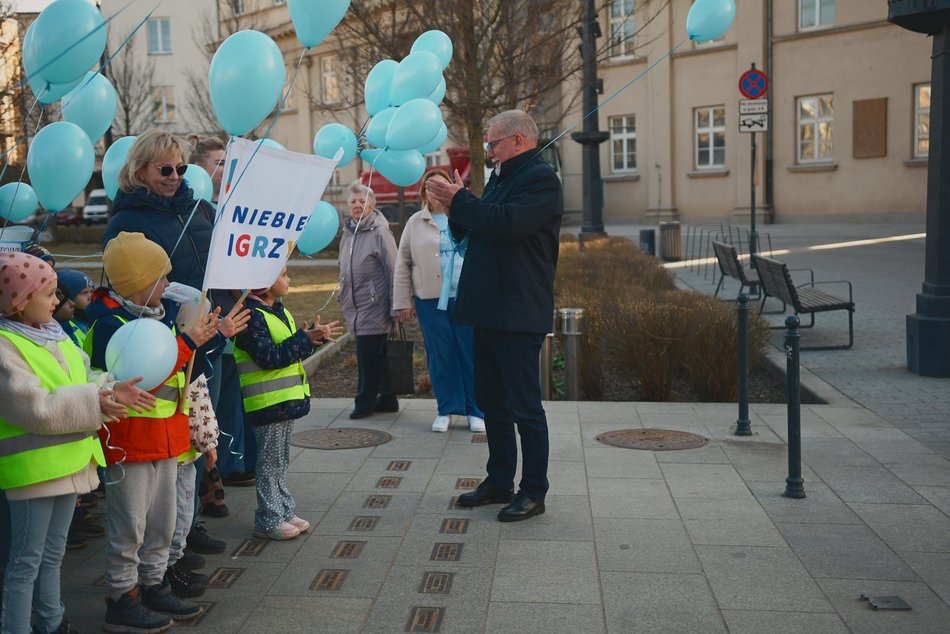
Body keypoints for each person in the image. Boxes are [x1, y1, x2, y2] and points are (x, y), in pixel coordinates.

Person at [0, 251, 152, 634]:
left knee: (52, 555)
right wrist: (93, 401)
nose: (57, 301)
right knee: (26, 560)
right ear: (20, 302)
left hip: (68, 462)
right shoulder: (6, 348)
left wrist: (110, 386)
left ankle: (53, 622)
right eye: (49, 293)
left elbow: (84, 377)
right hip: (34, 471)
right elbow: (31, 405)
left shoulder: (55, 336)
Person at [425, 110, 563, 522]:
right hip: (489, 308)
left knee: (524, 406)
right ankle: (500, 479)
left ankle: (533, 491)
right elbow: (481, 227)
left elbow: (507, 224)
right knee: (491, 401)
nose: (488, 151)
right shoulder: (504, 176)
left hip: (519, 311)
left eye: (493, 144)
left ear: (519, 140)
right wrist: (454, 212)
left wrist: (460, 200)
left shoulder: (540, 179)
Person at [85, 232, 223, 632]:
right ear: (136, 282)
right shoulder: (111, 325)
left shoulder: (151, 319)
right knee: (130, 525)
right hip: (131, 443)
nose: (167, 284)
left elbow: (178, 378)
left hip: (168, 438)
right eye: (160, 277)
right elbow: (143, 375)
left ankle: (153, 582)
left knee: (162, 522)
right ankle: (122, 596)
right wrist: (185, 343)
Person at [103, 130, 231, 557]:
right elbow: (126, 283)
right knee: (171, 443)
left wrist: (225, 311)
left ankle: (186, 528)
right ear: (140, 171)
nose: (175, 176)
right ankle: (167, 542)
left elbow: (221, 259)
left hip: (209, 332)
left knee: (196, 435)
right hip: (165, 342)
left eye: (180, 168)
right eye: (165, 169)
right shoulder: (127, 219)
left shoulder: (198, 206)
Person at [234, 267, 342, 540]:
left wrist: (311, 340)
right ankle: (268, 519)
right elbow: (269, 357)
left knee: (279, 460)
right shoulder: (250, 316)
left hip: (283, 402)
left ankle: (283, 510)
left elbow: (289, 350)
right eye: (283, 274)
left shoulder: (278, 310)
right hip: (267, 402)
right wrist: (303, 340)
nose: (289, 279)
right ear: (265, 283)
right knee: (270, 463)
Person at [189, 133, 257, 496]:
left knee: (229, 394)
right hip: (209, 320)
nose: (225, 170)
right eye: (219, 163)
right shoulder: (195, 212)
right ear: (200, 170)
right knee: (211, 398)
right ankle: (213, 473)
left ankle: (229, 463)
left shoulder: (220, 208)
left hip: (229, 316)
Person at [393, 169, 485, 433]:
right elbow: (403, 263)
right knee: (441, 355)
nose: (437, 194)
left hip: (466, 297)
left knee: (470, 353)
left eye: (442, 187)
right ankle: (446, 408)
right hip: (430, 301)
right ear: (424, 194)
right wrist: (402, 303)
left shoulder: (466, 216)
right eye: (431, 189)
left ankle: (475, 411)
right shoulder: (415, 222)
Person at [338, 182, 399, 419]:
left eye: (362, 201)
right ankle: (388, 398)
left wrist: (397, 305)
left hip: (375, 304)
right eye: (353, 201)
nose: (357, 205)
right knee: (376, 353)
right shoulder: (348, 232)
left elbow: (394, 269)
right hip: (354, 303)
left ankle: (364, 403)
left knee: (367, 355)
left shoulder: (379, 232)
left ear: (371, 204)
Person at [54, 269, 94, 347]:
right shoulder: (64, 328)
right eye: (84, 293)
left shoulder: (89, 320)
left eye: (91, 291)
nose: (90, 297)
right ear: (67, 297)